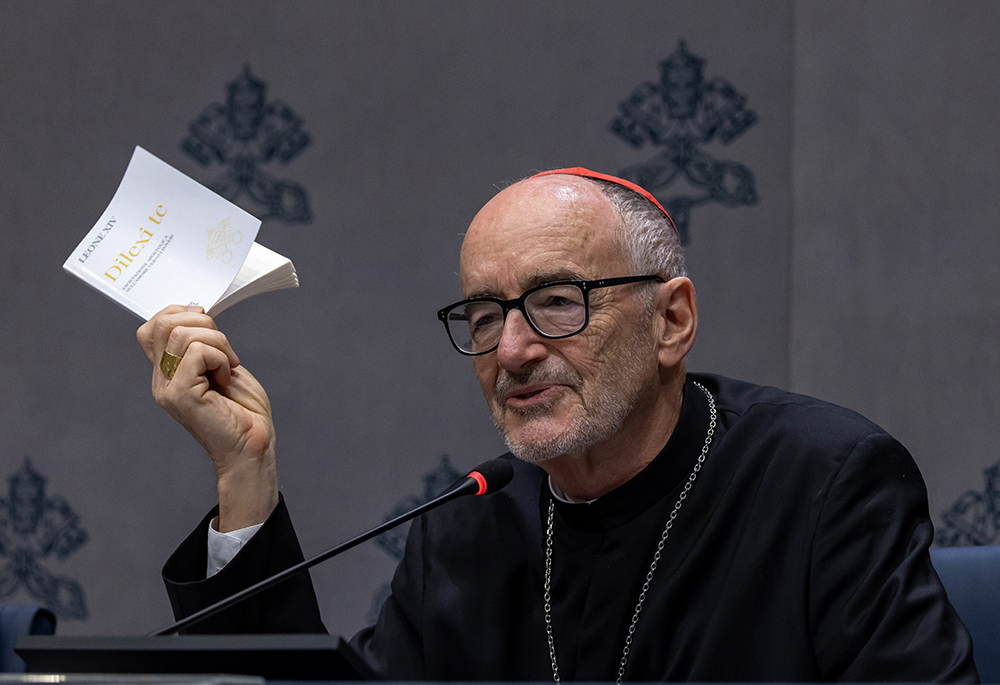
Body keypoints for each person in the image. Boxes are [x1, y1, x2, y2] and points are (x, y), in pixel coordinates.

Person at [137, 168, 978, 682]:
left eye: (555, 302)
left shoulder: (825, 483)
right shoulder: (467, 527)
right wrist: (244, 472)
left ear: (672, 321)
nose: (513, 348)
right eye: (484, 315)